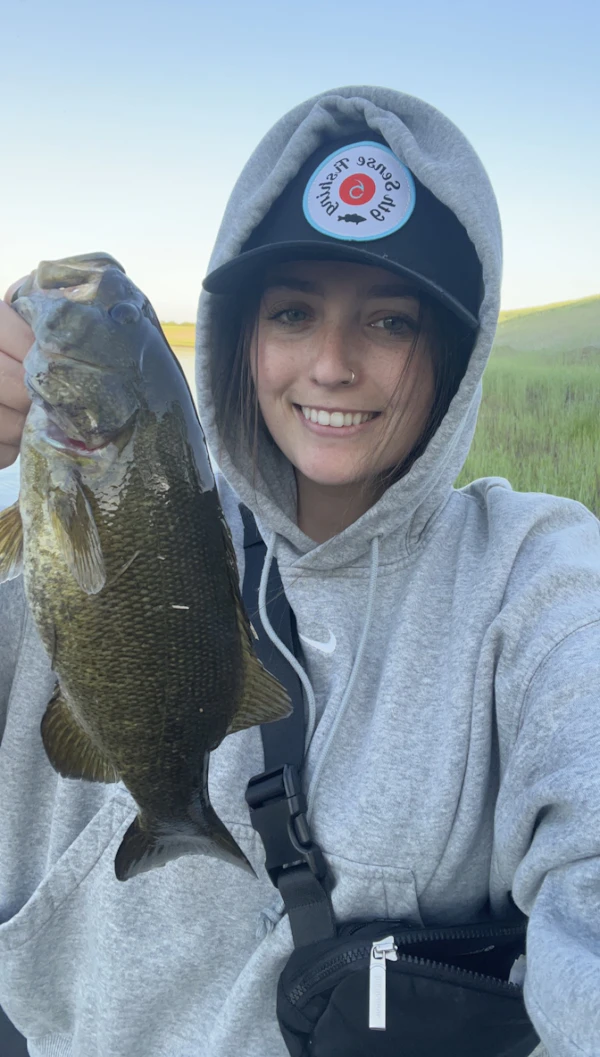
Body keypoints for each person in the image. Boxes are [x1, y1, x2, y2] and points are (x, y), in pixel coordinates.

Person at [0, 84, 598, 1057]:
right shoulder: (72, 515)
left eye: (391, 322)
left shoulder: (537, 581)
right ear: (238, 333)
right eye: (291, 311)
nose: (330, 364)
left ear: (455, 353)